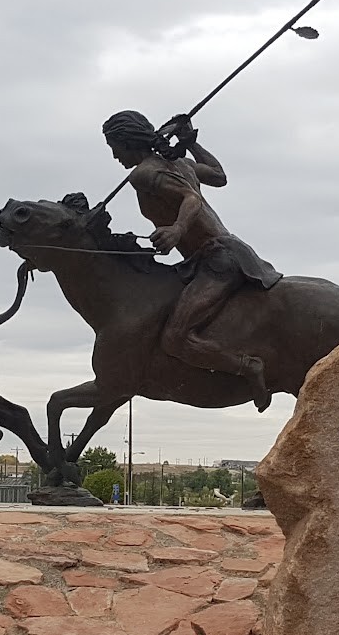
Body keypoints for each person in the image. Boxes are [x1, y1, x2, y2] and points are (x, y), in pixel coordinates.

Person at [102, 110, 281, 411]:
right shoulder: (181, 164)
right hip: (224, 254)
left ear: (127, 141)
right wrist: (192, 143)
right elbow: (219, 176)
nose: (115, 156)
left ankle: (248, 366)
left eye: (114, 147)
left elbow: (191, 199)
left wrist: (177, 230)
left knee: (175, 337)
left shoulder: (144, 173)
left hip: (217, 260)